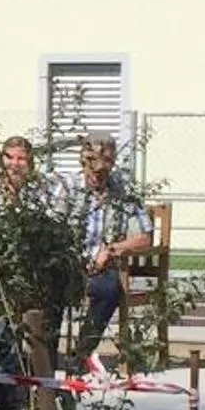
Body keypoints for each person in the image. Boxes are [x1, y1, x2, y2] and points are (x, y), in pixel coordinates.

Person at [71, 136, 154, 362]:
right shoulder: (68, 188)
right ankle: (42, 359)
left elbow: (144, 237)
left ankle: (81, 353)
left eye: (103, 169)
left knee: (108, 290)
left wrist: (110, 249)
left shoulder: (122, 193)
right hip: (69, 261)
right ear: (83, 162)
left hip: (103, 264)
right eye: (92, 167)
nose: (97, 175)